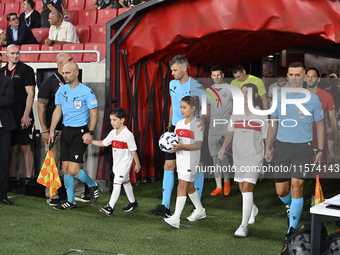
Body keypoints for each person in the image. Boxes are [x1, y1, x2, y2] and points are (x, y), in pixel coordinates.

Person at [265, 62, 325, 251]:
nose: (293, 78)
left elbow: (321, 125)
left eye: (298, 75)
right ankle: (293, 208)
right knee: (282, 191)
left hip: (303, 148)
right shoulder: (279, 97)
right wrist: (268, 146)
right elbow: (273, 123)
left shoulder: (313, 99)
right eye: (290, 74)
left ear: (305, 77)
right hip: (282, 148)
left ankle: (291, 231)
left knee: (297, 187)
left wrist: (320, 150)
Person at [147, 55, 206, 217]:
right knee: (169, 165)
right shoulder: (172, 84)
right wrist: (169, 127)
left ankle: (197, 207)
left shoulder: (196, 85)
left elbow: (207, 106)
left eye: (174, 70)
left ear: (183, 68)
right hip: (175, 130)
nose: (172, 73)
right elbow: (173, 105)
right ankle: (165, 206)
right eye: (171, 70)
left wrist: (204, 121)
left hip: (192, 129)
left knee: (196, 167)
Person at [37, 53, 89, 206]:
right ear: (60, 64)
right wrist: (45, 130)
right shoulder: (49, 82)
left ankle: (79, 193)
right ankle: (52, 195)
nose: (74, 61)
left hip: (73, 129)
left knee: (77, 161)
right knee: (53, 162)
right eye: (70, 60)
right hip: (56, 131)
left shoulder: (74, 81)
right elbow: (41, 106)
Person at [218, 83, 267, 237]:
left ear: (255, 95)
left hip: (255, 156)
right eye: (242, 92)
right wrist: (223, 148)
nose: (244, 95)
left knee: (247, 189)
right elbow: (230, 133)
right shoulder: (236, 113)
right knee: (241, 188)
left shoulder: (262, 114)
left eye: (248, 92)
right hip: (238, 156)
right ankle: (253, 209)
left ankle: (243, 226)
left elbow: (266, 138)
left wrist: (267, 158)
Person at [48, 62, 99, 210]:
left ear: (76, 73)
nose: (65, 76)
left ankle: (92, 185)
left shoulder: (87, 91)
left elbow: (94, 114)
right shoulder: (61, 90)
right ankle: (71, 201)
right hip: (66, 131)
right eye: (63, 73)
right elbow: (58, 110)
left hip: (80, 133)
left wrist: (90, 132)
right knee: (66, 169)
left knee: (75, 169)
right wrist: (51, 130)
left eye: (68, 73)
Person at [163, 96, 206, 228]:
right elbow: (176, 141)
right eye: (180, 107)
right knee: (189, 187)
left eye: (184, 107)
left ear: (193, 108)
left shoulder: (197, 124)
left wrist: (181, 147)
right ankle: (200, 210)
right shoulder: (180, 123)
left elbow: (198, 145)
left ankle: (176, 218)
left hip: (191, 160)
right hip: (181, 159)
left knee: (181, 186)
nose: (181, 110)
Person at [92, 107, 141, 217]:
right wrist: (91, 141)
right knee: (125, 182)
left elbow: (133, 150)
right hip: (117, 164)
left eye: (114, 120)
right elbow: (104, 143)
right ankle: (133, 203)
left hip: (125, 164)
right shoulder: (112, 133)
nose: (112, 122)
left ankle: (110, 207)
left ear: (122, 120)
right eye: (111, 120)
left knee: (117, 183)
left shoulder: (128, 135)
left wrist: (137, 163)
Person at [2, 45, 35, 194]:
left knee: (25, 148)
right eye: (12, 53)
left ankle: (28, 181)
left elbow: (31, 94)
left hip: (23, 115)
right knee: (10, 149)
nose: (15, 56)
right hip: (8, 117)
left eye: (17, 53)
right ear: (6, 55)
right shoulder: (2, 71)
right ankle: (13, 180)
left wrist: (26, 114)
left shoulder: (26, 70)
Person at [306, 67, 339, 205]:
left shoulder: (326, 96)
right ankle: (295, 197)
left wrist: (336, 140)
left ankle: (315, 194)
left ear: (318, 79)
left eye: (313, 76)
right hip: (300, 138)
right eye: (307, 75)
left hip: (319, 138)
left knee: (319, 169)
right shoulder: (297, 95)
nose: (310, 78)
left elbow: (332, 120)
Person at [204, 65, 232, 196]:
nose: (216, 77)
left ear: (223, 75)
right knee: (215, 158)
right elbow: (206, 111)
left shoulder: (231, 89)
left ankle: (227, 182)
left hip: (226, 129)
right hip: (212, 129)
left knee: (224, 157)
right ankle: (218, 186)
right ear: (211, 76)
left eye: (218, 75)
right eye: (214, 75)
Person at [0, 53, 17, 205]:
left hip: (4, 127)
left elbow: (9, 98)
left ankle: (3, 194)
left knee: (4, 160)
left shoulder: (6, 80)